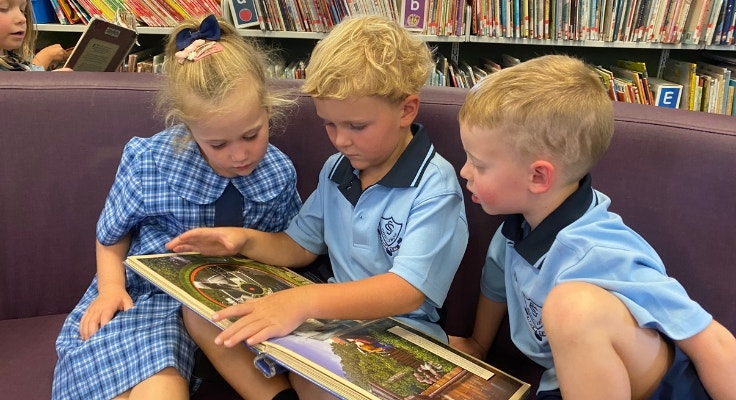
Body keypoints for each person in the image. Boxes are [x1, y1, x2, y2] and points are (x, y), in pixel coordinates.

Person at [166, 14, 469, 400]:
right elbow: (298, 246)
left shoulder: (435, 188)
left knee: (326, 382)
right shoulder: (337, 169)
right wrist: (240, 241)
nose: (340, 140)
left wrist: (302, 301)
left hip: (401, 333)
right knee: (201, 314)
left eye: (356, 126)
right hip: (330, 322)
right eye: (329, 124)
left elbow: (407, 291)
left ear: (406, 110)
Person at [449, 54, 736, 399]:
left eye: (479, 164)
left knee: (571, 307)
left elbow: (710, 339)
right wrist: (478, 345)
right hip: (570, 382)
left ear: (538, 176)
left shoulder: (600, 250)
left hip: (668, 391)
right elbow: (496, 282)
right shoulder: (516, 228)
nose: (465, 172)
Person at [52, 14, 302, 400]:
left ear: (269, 109)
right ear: (187, 127)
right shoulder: (152, 162)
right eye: (217, 144)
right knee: (148, 384)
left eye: (251, 134)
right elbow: (110, 236)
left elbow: (290, 247)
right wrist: (111, 289)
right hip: (149, 298)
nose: (239, 155)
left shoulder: (278, 172)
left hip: (229, 301)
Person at [0, 0, 68, 70]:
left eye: (22, 10)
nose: (22, 19)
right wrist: (44, 57)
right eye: (3, 8)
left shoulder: (14, 60)